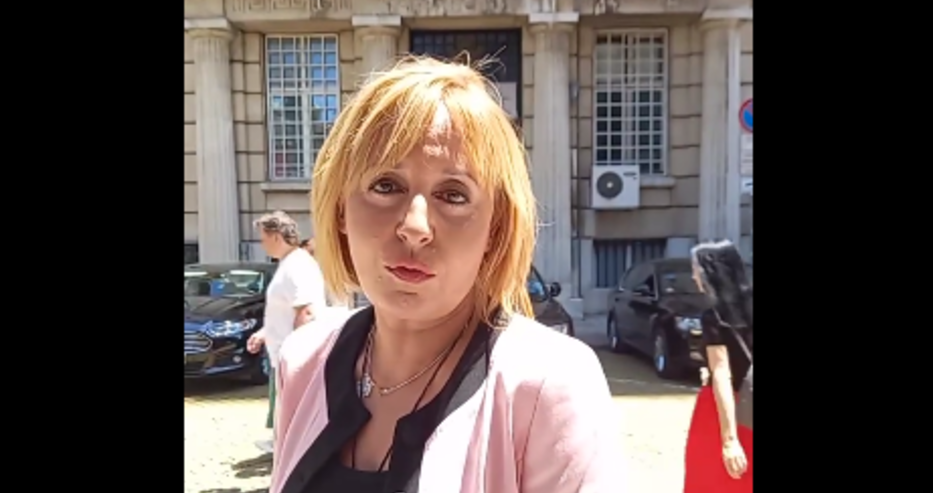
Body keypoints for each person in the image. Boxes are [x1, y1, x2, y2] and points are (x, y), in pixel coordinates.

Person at [269, 57, 622, 493]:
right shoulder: (303, 361)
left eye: (453, 195)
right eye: (386, 186)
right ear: (341, 208)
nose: (414, 226)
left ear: (495, 228)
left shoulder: (550, 384)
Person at [248, 211, 327, 454]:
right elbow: (284, 309)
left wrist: (297, 354)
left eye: (263, 238)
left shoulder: (298, 265)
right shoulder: (289, 264)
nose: (262, 244)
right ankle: (283, 447)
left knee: (296, 412)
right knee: (285, 409)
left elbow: (307, 311)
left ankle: (290, 455)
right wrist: (264, 333)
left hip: (292, 357)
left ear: (276, 236)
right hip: (282, 354)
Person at [684, 240, 753, 493]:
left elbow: (722, 374)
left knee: (712, 481)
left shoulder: (715, 317)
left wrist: (729, 441)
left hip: (728, 412)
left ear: (709, 273)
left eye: (696, 270)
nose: (694, 277)